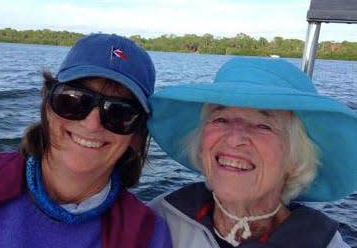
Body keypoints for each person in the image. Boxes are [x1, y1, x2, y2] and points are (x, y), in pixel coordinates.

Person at [0, 33, 172, 247]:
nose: (92, 124)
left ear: (137, 135)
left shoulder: (145, 235)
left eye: (119, 113)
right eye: (73, 100)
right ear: (48, 106)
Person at [147, 57, 357, 247]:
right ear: (202, 144)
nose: (234, 139)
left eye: (263, 126)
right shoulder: (160, 219)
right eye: (221, 119)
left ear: (296, 158)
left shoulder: (322, 243)